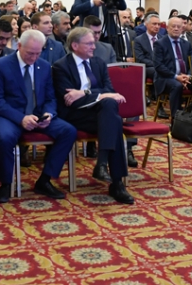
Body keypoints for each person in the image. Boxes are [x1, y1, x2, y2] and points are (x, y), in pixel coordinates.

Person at [0, 29, 77, 204]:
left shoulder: (44, 66)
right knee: (5, 137)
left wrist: (48, 114)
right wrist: (21, 118)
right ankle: (5, 184)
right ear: (19, 46)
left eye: (38, 53)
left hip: (37, 114)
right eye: (30, 53)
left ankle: (45, 180)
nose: (34, 57)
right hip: (9, 115)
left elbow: (50, 98)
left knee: (68, 131)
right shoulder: (1, 65)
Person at [52, 27, 133, 204]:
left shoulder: (98, 63)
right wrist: (100, 95)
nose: (94, 47)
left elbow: (109, 90)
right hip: (75, 116)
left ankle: (104, 167)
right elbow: (70, 101)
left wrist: (84, 92)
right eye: (89, 43)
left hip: (99, 114)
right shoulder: (61, 66)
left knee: (111, 112)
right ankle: (116, 182)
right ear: (75, 45)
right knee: (113, 119)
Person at [153, 16, 192, 122]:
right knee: (177, 86)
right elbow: (158, 66)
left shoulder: (187, 44)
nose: (176, 29)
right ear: (167, 28)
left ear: (182, 28)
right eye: (173, 26)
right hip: (166, 78)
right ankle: (176, 120)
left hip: (184, 76)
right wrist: (176, 77)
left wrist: (188, 76)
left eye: (178, 27)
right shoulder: (160, 43)